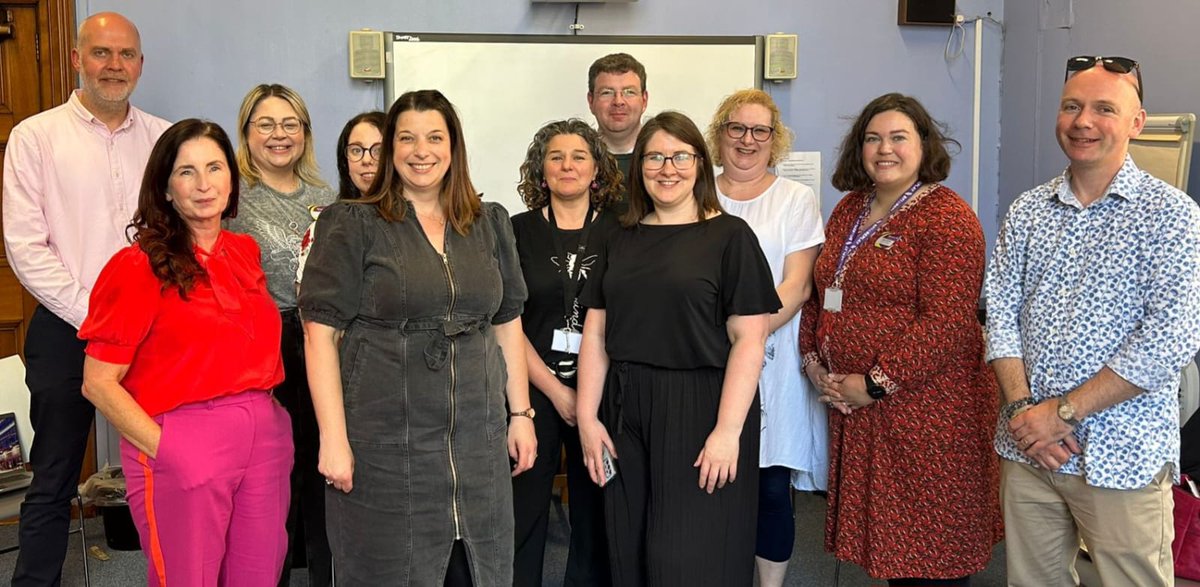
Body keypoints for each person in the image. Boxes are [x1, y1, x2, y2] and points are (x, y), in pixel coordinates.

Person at [299, 89, 536, 586]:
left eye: (434, 137)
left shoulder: (489, 222)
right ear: (390, 148)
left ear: (454, 147)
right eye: (406, 138)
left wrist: (520, 415)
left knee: (477, 570)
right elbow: (320, 336)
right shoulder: (352, 223)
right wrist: (334, 440)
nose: (420, 150)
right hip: (384, 441)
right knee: (388, 569)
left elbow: (507, 322)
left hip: (476, 437)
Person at [987, 57, 1200, 587]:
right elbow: (999, 316)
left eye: (1104, 108)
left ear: (1137, 122)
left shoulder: (1172, 216)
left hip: (1122, 455)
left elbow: (1169, 338)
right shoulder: (1028, 211)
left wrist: (1060, 415)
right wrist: (1022, 412)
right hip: (1027, 449)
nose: (1083, 121)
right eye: (1071, 106)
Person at [799, 93, 1001, 586]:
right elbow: (820, 291)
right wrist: (815, 366)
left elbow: (947, 323)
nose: (883, 149)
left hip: (929, 417)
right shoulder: (850, 208)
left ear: (923, 145)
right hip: (860, 412)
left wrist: (872, 384)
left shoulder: (947, 218)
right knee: (891, 551)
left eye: (898, 137)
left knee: (933, 554)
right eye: (872, 138)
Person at [78, 119, 292, 586]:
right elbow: (97, 382)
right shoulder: (137, 266)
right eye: (186, 172)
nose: (203, 184)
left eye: (215, 167)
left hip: (263, 438)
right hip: (181, 438)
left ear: (231, 180)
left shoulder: (244, 252)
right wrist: (170, 451)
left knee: (258, 575)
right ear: (166, 188)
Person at [1, 12, 170, 586]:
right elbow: (26, 247)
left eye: (126, 55)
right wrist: (96, 316)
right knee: (51, 474)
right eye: (101, 53)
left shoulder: (164, 140)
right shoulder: (35, 137)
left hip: (155, 333)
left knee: (168, 463)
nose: (114, 65)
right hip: (66, 329)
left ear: (140, 65)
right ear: (77, 59)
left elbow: (181, 237)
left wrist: (144, 318)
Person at [576, 111, 781, 586]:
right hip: (626, 407)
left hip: (702, 407)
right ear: (638, 167)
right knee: (628, 551)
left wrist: (728, 432)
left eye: (680, 156)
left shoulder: (731, 237)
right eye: (654, 157)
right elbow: (596, 334)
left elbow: (749, 339)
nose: (667, 168)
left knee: (684, 559)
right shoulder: (618, 237)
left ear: (700, 164)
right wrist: (588, 418)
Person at [705, 89, 824, 587]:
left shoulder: (795, 199)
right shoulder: (697, 192)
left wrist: (745, 338)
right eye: (736, 128)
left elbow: (796, 287)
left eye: (760, 131)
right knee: (709, 480)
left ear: (775, 141)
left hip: (772, 362)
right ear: (719, 134)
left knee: (770, 489)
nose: (747, 140)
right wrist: (718, 344)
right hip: (704, 358)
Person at [225, 83, 335, 587]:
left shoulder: (327, 199)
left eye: (290, 124)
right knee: (270, 482)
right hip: (257, 347)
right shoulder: (230, 200)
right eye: (265, 124)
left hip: (321, 342)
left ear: (305, 134)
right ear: (246, 133)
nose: (278, 135)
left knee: (322, 469)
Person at [510, 119, 623, 586]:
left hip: (605, 391)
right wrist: (557, 393)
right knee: (524, 511)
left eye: (579, 156)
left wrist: (586, 399)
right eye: (555, 157)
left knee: (598, 510)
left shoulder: (623, 232)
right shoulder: (514, 231)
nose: (567, 165)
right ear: (541, 172)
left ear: (597, 169)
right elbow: (506, 323)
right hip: (533, 390)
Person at [296, 111, 386, 285]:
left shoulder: (422, 223)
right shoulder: (326, 228)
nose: (366, 159)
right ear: (345, 162)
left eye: (379, 150)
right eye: (356, 150)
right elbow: (310, 306)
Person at [586, 52, 648, 216]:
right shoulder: (576, 162)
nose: (618, 101)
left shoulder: (666, 160)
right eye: (607, 92)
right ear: (591, 101)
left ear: (644, 100)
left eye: (629, 92)